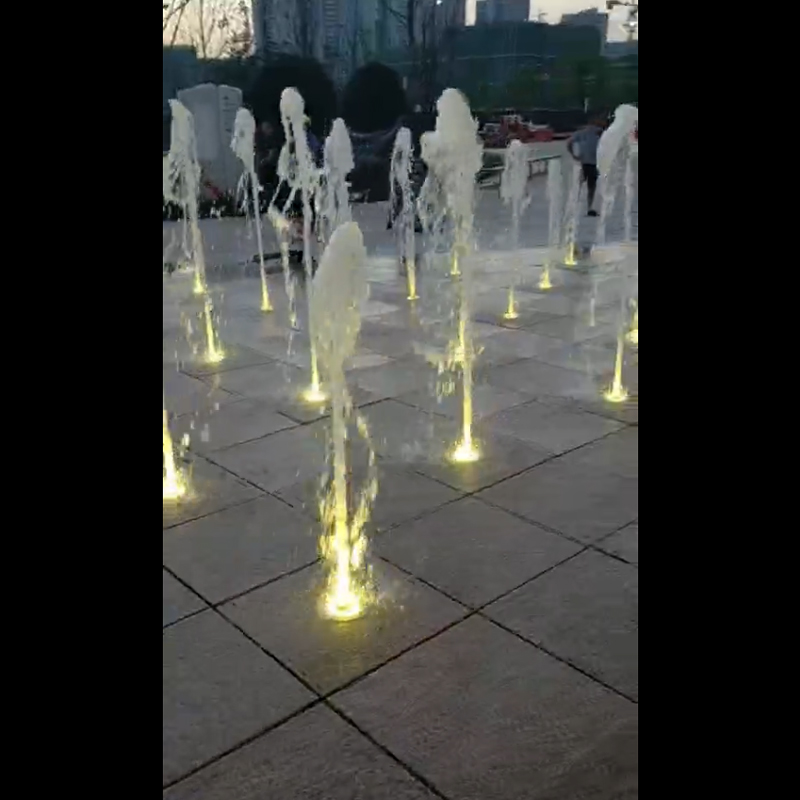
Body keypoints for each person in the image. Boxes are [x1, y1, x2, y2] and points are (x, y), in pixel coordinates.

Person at [567, 116, 605, 216]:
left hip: (584, 162)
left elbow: (569, 142)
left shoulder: (582, 133)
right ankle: (589, 207)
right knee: (591, 186)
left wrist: (574, 155)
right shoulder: (599, 132)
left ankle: (574, 206)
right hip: (592, 163)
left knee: (579, 185)